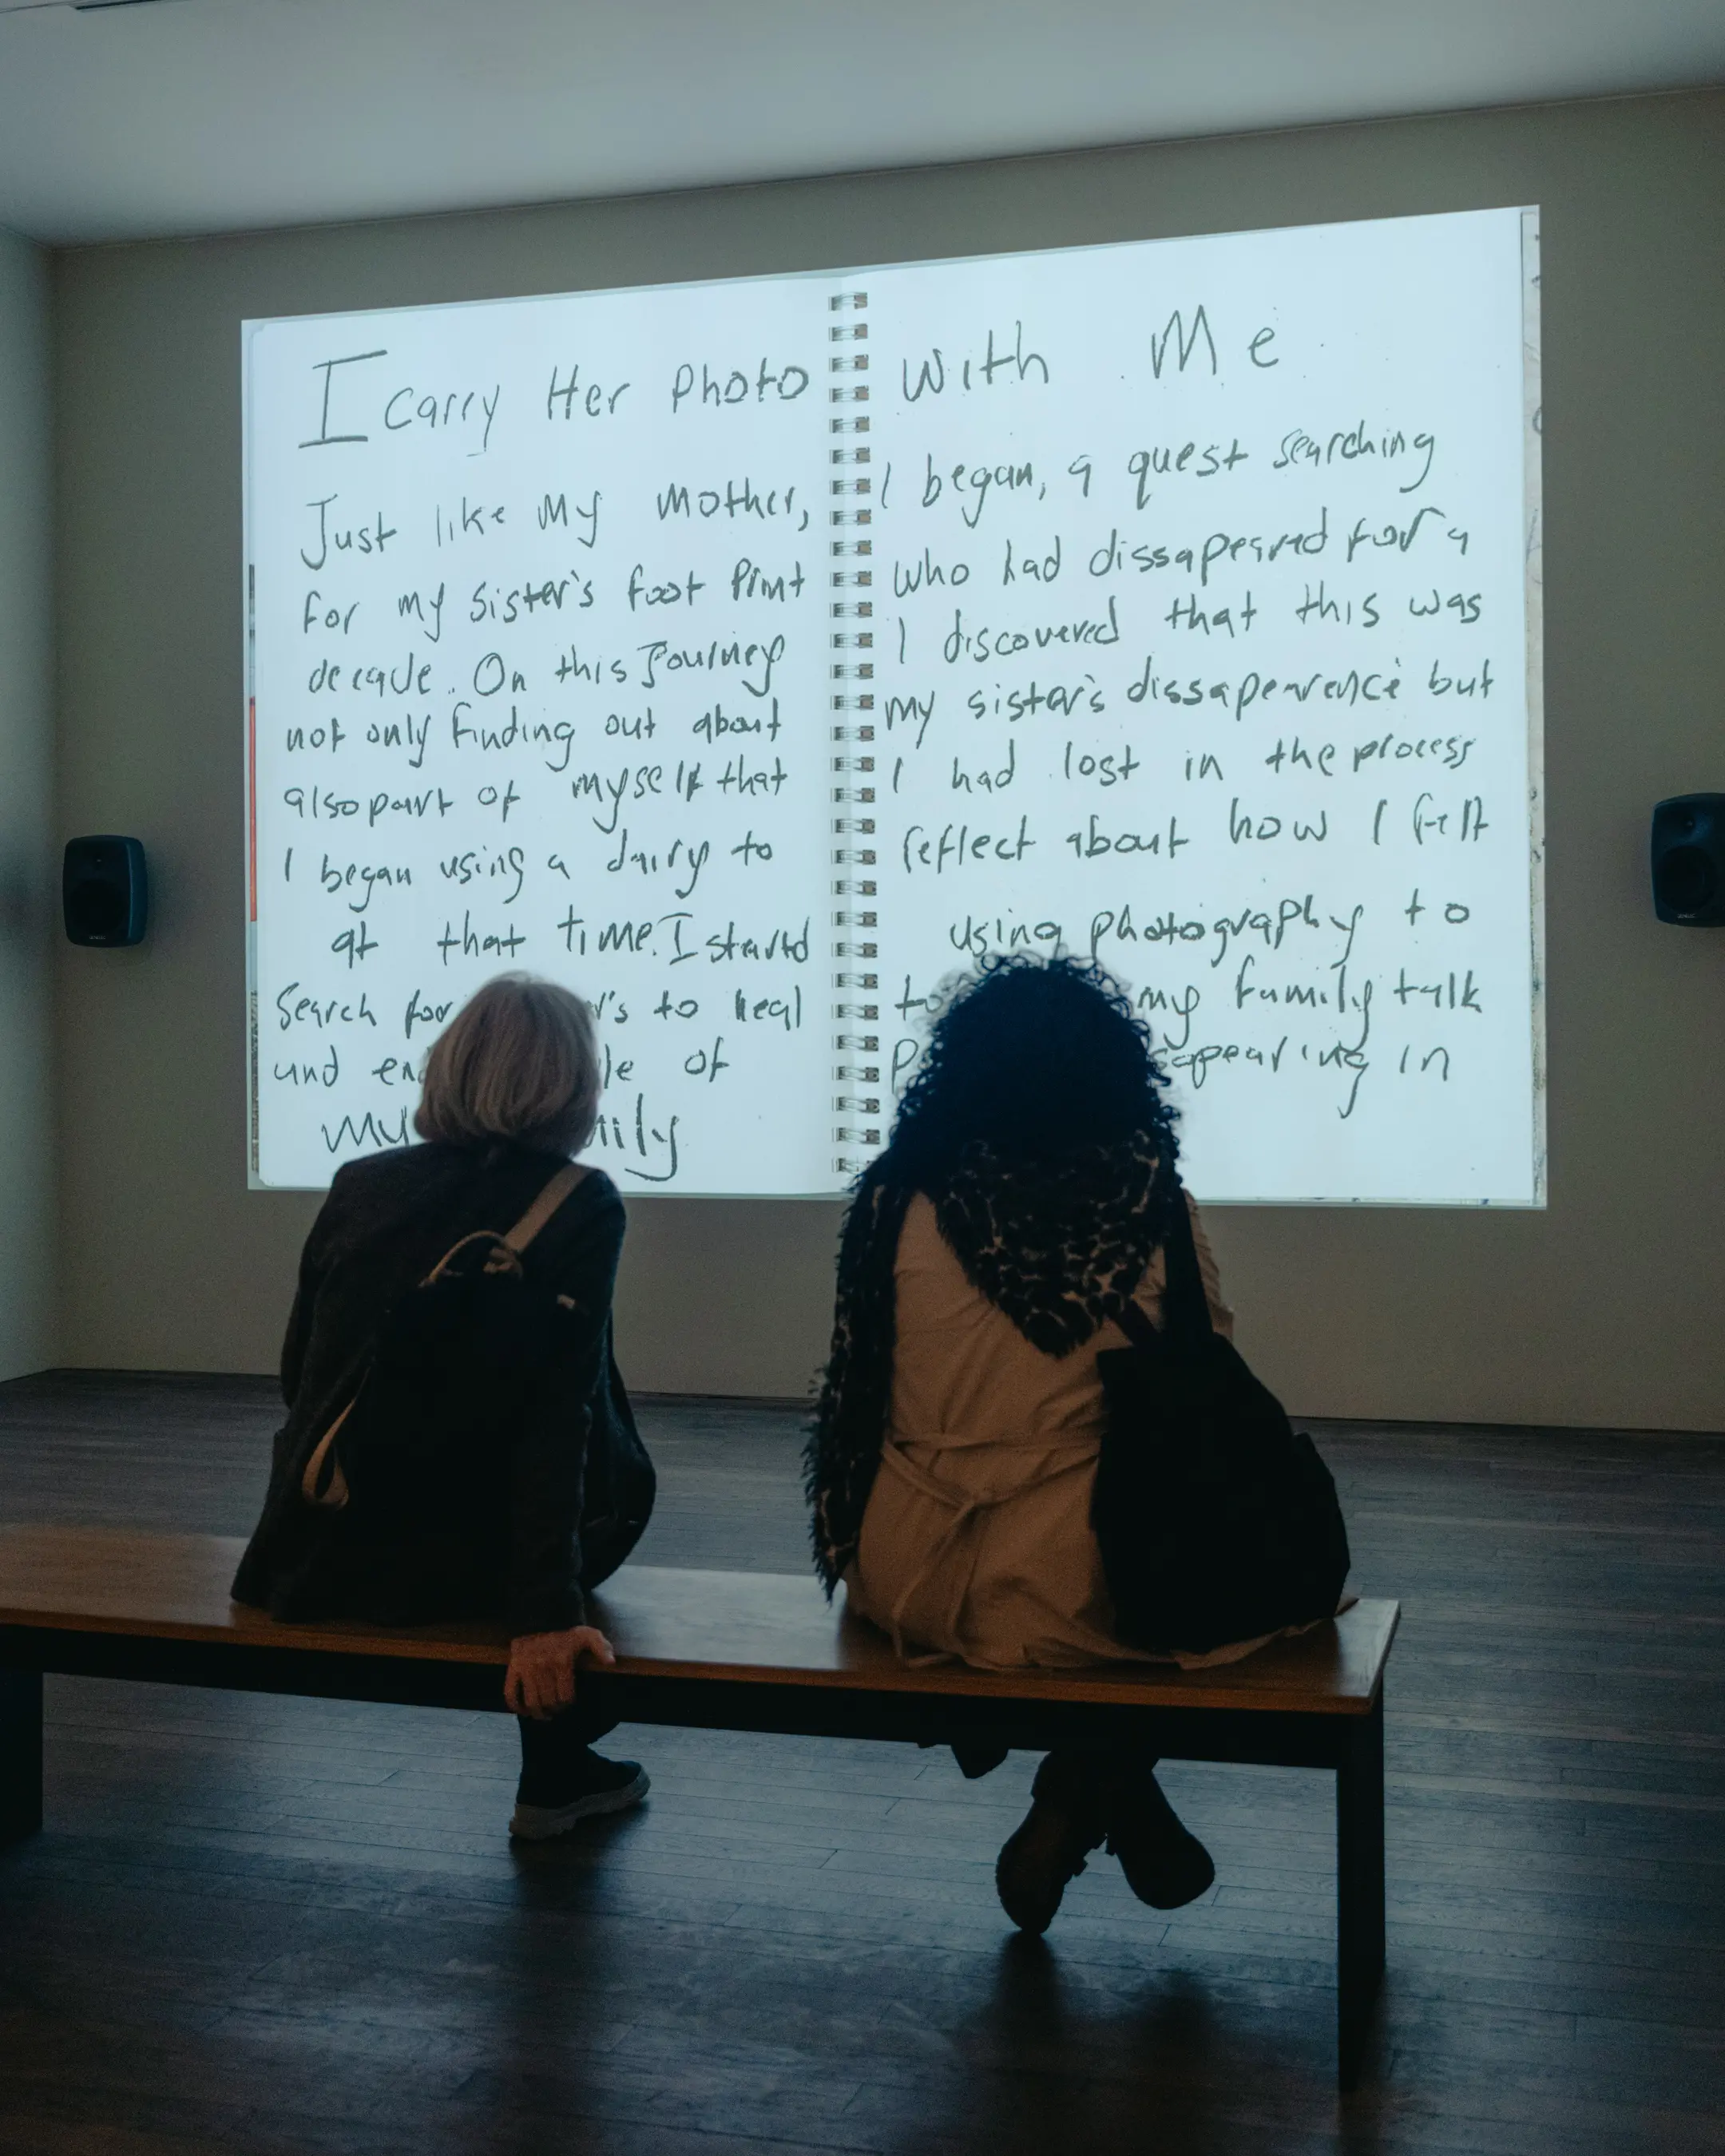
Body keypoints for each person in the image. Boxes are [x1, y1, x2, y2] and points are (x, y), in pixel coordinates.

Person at [807, 955, 1247, 1936]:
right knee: (1200, 1587)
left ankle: (1085, 1784)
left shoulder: (892, 1201)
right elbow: (1210, 1372)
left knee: (1084, 1594)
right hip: (1095, 1572)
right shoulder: (1154, 1203)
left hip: (908, 1568)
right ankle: (1091, 1784)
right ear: (1116, 1073)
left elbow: (852, 1391)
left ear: (955, 1070)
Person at [233, 973, 655, 1842]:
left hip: (309, 1552)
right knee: (594, 1444)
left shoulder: (359, 1183)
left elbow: (300, 1375)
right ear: (575, 1086)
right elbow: (556, 1424)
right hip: (466, 1563)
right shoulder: (581, 1201)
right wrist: (546, 1617)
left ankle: (563, 1772)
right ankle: (556, 1772)